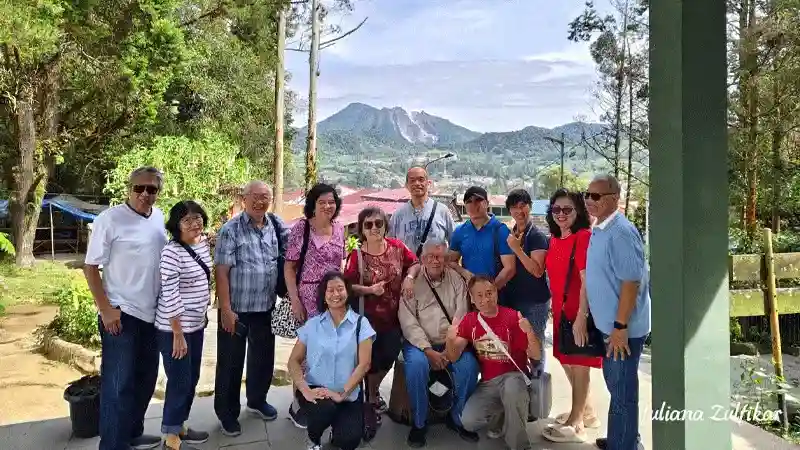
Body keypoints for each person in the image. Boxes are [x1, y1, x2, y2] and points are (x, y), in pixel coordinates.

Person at [84, 166, 167, 450]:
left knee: (146, 379)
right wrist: (106, 309)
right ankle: (113, 444)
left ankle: (132, 433)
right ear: (129, 189)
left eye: (151, 189)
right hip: (122, 313)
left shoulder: (159, 217)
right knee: (118, 385)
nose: (144, 193)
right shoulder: (110, 219)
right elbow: (91, 267)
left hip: (152, 315)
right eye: (139, 188)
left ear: (158, 191)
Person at [213, 180, 289, 436]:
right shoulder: (231, 229)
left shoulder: (275, 225)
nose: (260, 201)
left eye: (265, 196)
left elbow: (295, 248)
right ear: (243, 199)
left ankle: (257, 400)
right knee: (230, 363)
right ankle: (227, 413)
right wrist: (225, 309)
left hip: (266, 306)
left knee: (263, 358)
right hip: (237, 308)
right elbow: (221, 272)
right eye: (254, 196)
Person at [584, 175, 651, 450]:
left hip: (622, 330)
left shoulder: (621, 232)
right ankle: (622, 438)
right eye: (587, 194)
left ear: (614, 199)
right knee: (617, 387)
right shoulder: (601, 227)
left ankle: (624, 444)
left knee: (622, 392)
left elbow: (631, 282)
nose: (589, 200)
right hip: (610, 328)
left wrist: (621, 327)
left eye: (596, 196)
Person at [398, 238, 480, 447]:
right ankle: (419, 423)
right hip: (420, 343)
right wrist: (427, 350)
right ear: (422, 259)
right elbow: (407, 321)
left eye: (440, 257)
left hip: (451, 340)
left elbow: (461, 315)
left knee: (469, 367)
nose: (435, 261)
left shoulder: (456, 280)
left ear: (446, 258)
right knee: (416, 367)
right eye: (430, 257)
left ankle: (457, 417)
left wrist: (450, 349)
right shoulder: (411, 283)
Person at [446, 275, 541, 450]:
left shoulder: (512, 317)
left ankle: (518, 445)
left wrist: (529, 333)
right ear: (472, 299)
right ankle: (504, 410)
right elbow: (453, 357)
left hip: (514, 377)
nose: (485, 299)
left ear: (496, 292)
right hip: (488, 383)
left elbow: (536, 355)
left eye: (489, 293)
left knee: (512, 390)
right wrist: (450, 340)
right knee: (468, 421)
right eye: (479, 295)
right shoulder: (470, 320)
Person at [287, 271, 375, 450]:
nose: (336, 294)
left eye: (340, 289)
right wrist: (304, 390)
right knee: (324, 409)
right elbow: (293, 360)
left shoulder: (361, 324)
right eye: (330, 290)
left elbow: (365, 364)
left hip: (347, 393)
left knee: (349, 441)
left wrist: (341, 394)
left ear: (347, 292)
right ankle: (313, 438)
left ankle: (337, 430)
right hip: (316, 390)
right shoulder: (313, 324)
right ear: (324, 296)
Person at [541, 189, 602, 443]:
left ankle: (577, 424)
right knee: (566, 359)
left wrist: (581, 316)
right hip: (561, 311)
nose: (561, 214)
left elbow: (588, 280)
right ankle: (586, 412)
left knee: (579, 366)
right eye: (556, 209)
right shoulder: (556, 239)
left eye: (567, 209)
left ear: (578, 212)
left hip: (578, 313)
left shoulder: (583, 237)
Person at [344, 207, 417, 418]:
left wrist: (409, 278)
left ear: (385, 225)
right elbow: (347, 286)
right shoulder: (357, 255)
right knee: (369, 361)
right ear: (362, 229)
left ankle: (372, 392)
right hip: (368, 319)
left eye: (378, 223)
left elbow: (415, 263)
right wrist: (369, 290)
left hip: (394, 317)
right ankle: (371, 398)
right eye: (368, 224)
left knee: (389, 356)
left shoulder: (397, 247)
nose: (374, 228)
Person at [285, 183, 347, 428]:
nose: (327, 206)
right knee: (305, 354)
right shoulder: (302, 228)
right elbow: (289, 268)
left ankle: (322, 401)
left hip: (333, 300)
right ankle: (298, 404)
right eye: (322, 202)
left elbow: (340, 265)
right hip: (308, 298)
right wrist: (295, 300)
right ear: (312, 205)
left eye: (331, 202)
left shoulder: (340, 229)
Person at [156, 201, 212, 450]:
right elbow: (170, 293)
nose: (194, 223)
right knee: (179, 380)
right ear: (176, 225)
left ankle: (179, 425)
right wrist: (177, 333)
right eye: (187, 220)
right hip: (173, 329)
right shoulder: (171, 252)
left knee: (192, 378)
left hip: (195, 326)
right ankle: (170, 437)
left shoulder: (202, 244)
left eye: (197, 217)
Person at [503, 189, 550, 370]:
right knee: (517, 345)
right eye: (514, 207)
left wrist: (517, 249)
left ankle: (539, 381)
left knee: (534, 345)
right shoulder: (512, 234)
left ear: (530, 207)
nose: (519, 211)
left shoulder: (536, 236)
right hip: (514, 300)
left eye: (523, 206)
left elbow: (537, 271)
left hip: (534, 302)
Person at [448, 186, 516, 292]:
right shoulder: (460, 231)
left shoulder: (500, 230)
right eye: (469, 201)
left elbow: (510, 268)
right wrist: (464, 273)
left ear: (487, 203)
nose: (474, 204)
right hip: (469, 293)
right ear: (465, 206)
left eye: (478, 200)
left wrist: (489, 292)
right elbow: (451, 262)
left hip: (496, 294)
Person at [389, 166, 455, 256]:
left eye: (421, 179)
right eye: (412, 180)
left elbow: (454, 244)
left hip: (435, 264)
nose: (417, 183)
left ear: (428, 183)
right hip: (407, 265)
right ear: (406, 185)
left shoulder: (442, 211)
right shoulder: (398, 215)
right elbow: (390, 247)